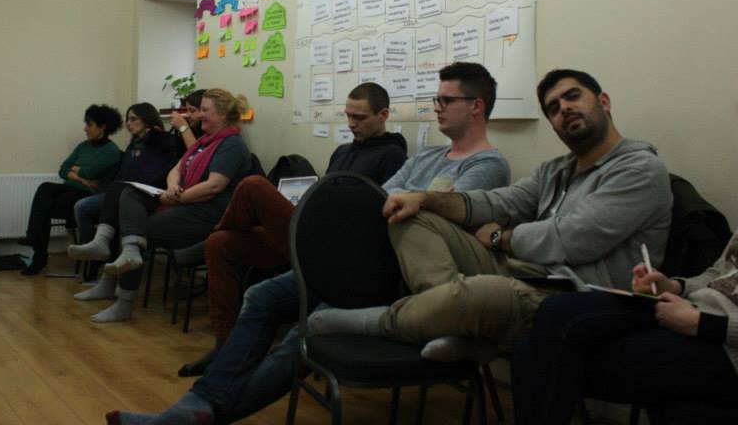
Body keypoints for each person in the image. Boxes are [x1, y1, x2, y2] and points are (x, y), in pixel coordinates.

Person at [107, 63, 512, 425]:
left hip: (392, 275)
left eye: (446, 100)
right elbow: (379, 202)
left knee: (303, 332)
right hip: (349, 254)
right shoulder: (426, 158)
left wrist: (406, 201)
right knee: (260, 293)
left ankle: (198, 413)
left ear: (476, 106)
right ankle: (198, 405)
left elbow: (436, 212)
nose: (437, 107)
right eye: (436, 99)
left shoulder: (487, 164)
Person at [309, 68, 673, 365]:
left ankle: (380, 322)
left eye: (573, 97)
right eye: (553, 107)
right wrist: (424, 199)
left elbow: (571, 239)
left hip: (571, 295)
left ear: (604, 102)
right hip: (519, 270)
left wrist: (502, 238)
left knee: (479, 292)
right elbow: (501, 202)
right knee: (412, 215)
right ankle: (455, 326)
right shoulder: (555, 170)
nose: (563, 108)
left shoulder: (639, 168)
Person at [178, 80, 409, 376]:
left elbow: (374, 215)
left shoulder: (393, 156)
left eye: (360, 117)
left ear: (384, 115)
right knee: (220, 243)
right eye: (348, 116)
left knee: (253, 185)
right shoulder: (342, 152)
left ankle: (210, 236)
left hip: (336, 248)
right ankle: (224, 345)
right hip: (313, 230)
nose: (352, 123)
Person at [512, 231, 738, 425]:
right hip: (691, 308)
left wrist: (702, 323)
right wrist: (674, 286)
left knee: (537, 353)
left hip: (723, 340)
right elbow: (720, 272)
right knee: (554, 313)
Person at [88, 89, 253, 323]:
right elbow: (177, 168)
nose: (199, 115)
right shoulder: (204, 142)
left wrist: (177, 198)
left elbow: (214, 186)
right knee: (129, 195)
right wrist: (173, 185)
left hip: (206, 215)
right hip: (183, 203)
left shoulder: (232, 144)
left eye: (204, 110)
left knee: (136, 230)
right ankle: (114, 275)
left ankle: (123, 301)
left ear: (223, 115)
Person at [68, 103, 178, 294]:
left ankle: (101, 248)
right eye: (127, 119)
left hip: (149, 194)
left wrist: (153, 135)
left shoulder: (162, 139)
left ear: (147, 120)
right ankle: (100, 250)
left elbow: (153, 172)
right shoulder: (133, 144)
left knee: (110, 197)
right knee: (92, 203)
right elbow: (124, 175)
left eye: (133, 119)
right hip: (125, 192)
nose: (128, 123)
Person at [20, 104, 123, 275]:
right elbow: (63, 169)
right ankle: (34, 238)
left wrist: (76, 170)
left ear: (103, 127)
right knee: (45, 188)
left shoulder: (112, 151)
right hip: (70, 190)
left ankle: (38, 255)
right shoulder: (83, 146)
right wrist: (81, 177)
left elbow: (90, 172)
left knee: (44, 209)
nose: (85, 129)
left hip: (88, 197)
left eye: (89, 125)